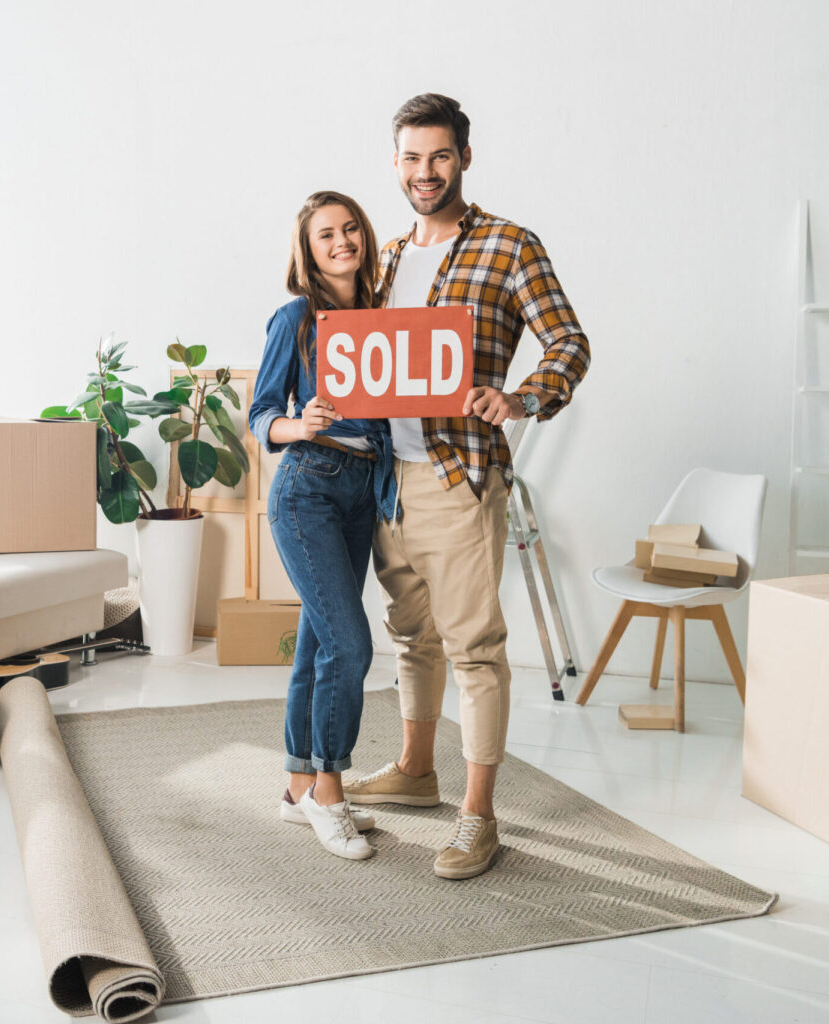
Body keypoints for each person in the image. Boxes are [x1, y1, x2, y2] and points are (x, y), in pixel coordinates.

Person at [343, 94, 591, 879]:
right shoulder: (380, 259)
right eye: (411, 158)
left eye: (439, 156)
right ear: (395, 162)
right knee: (411, 634)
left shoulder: (509, 247)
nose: (425, 173)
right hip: (387, 478)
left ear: (465, 158)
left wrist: (521, 397)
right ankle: (416, 772)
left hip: (458, 477)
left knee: (474, 650)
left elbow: (568, 341)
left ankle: (477, 817)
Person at [248, 190, 390, 862]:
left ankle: (296, 786)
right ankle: (328, 790)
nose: (340, 242)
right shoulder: (297, 317)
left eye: (350, 229)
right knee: (350, 646)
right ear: (307, 251)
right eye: (325, 235)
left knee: (318, 645)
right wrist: (294, 424)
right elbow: (260, 416)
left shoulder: (384, 317)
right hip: (308, 486)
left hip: (363, 490)